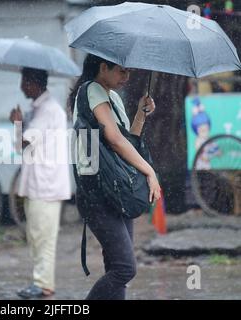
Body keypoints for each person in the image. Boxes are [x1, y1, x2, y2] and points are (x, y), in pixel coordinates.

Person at [68, 54, 161, 300]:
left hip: (115, 188)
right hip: (97, 192)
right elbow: (115, 140)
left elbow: (128, 140)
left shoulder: (113, 98)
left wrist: (141, 114)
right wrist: (149, 171)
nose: (126, 77)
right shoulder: (91, 90)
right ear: (102, 67)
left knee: (117, 268)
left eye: (128, 72)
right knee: (125, 268)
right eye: (121, 71)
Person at [9, 67, 71, 299]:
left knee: (43, 236)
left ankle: (43, 284)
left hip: (46, 185)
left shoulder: (48, 110)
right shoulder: (38, 110)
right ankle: (41, 282)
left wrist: (17, 124)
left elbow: (24, 141)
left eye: (24, 81)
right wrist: (19, 124)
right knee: (36, 235)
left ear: (35, 82)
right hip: (38, 183)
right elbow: (20, 147)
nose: (21, 86)